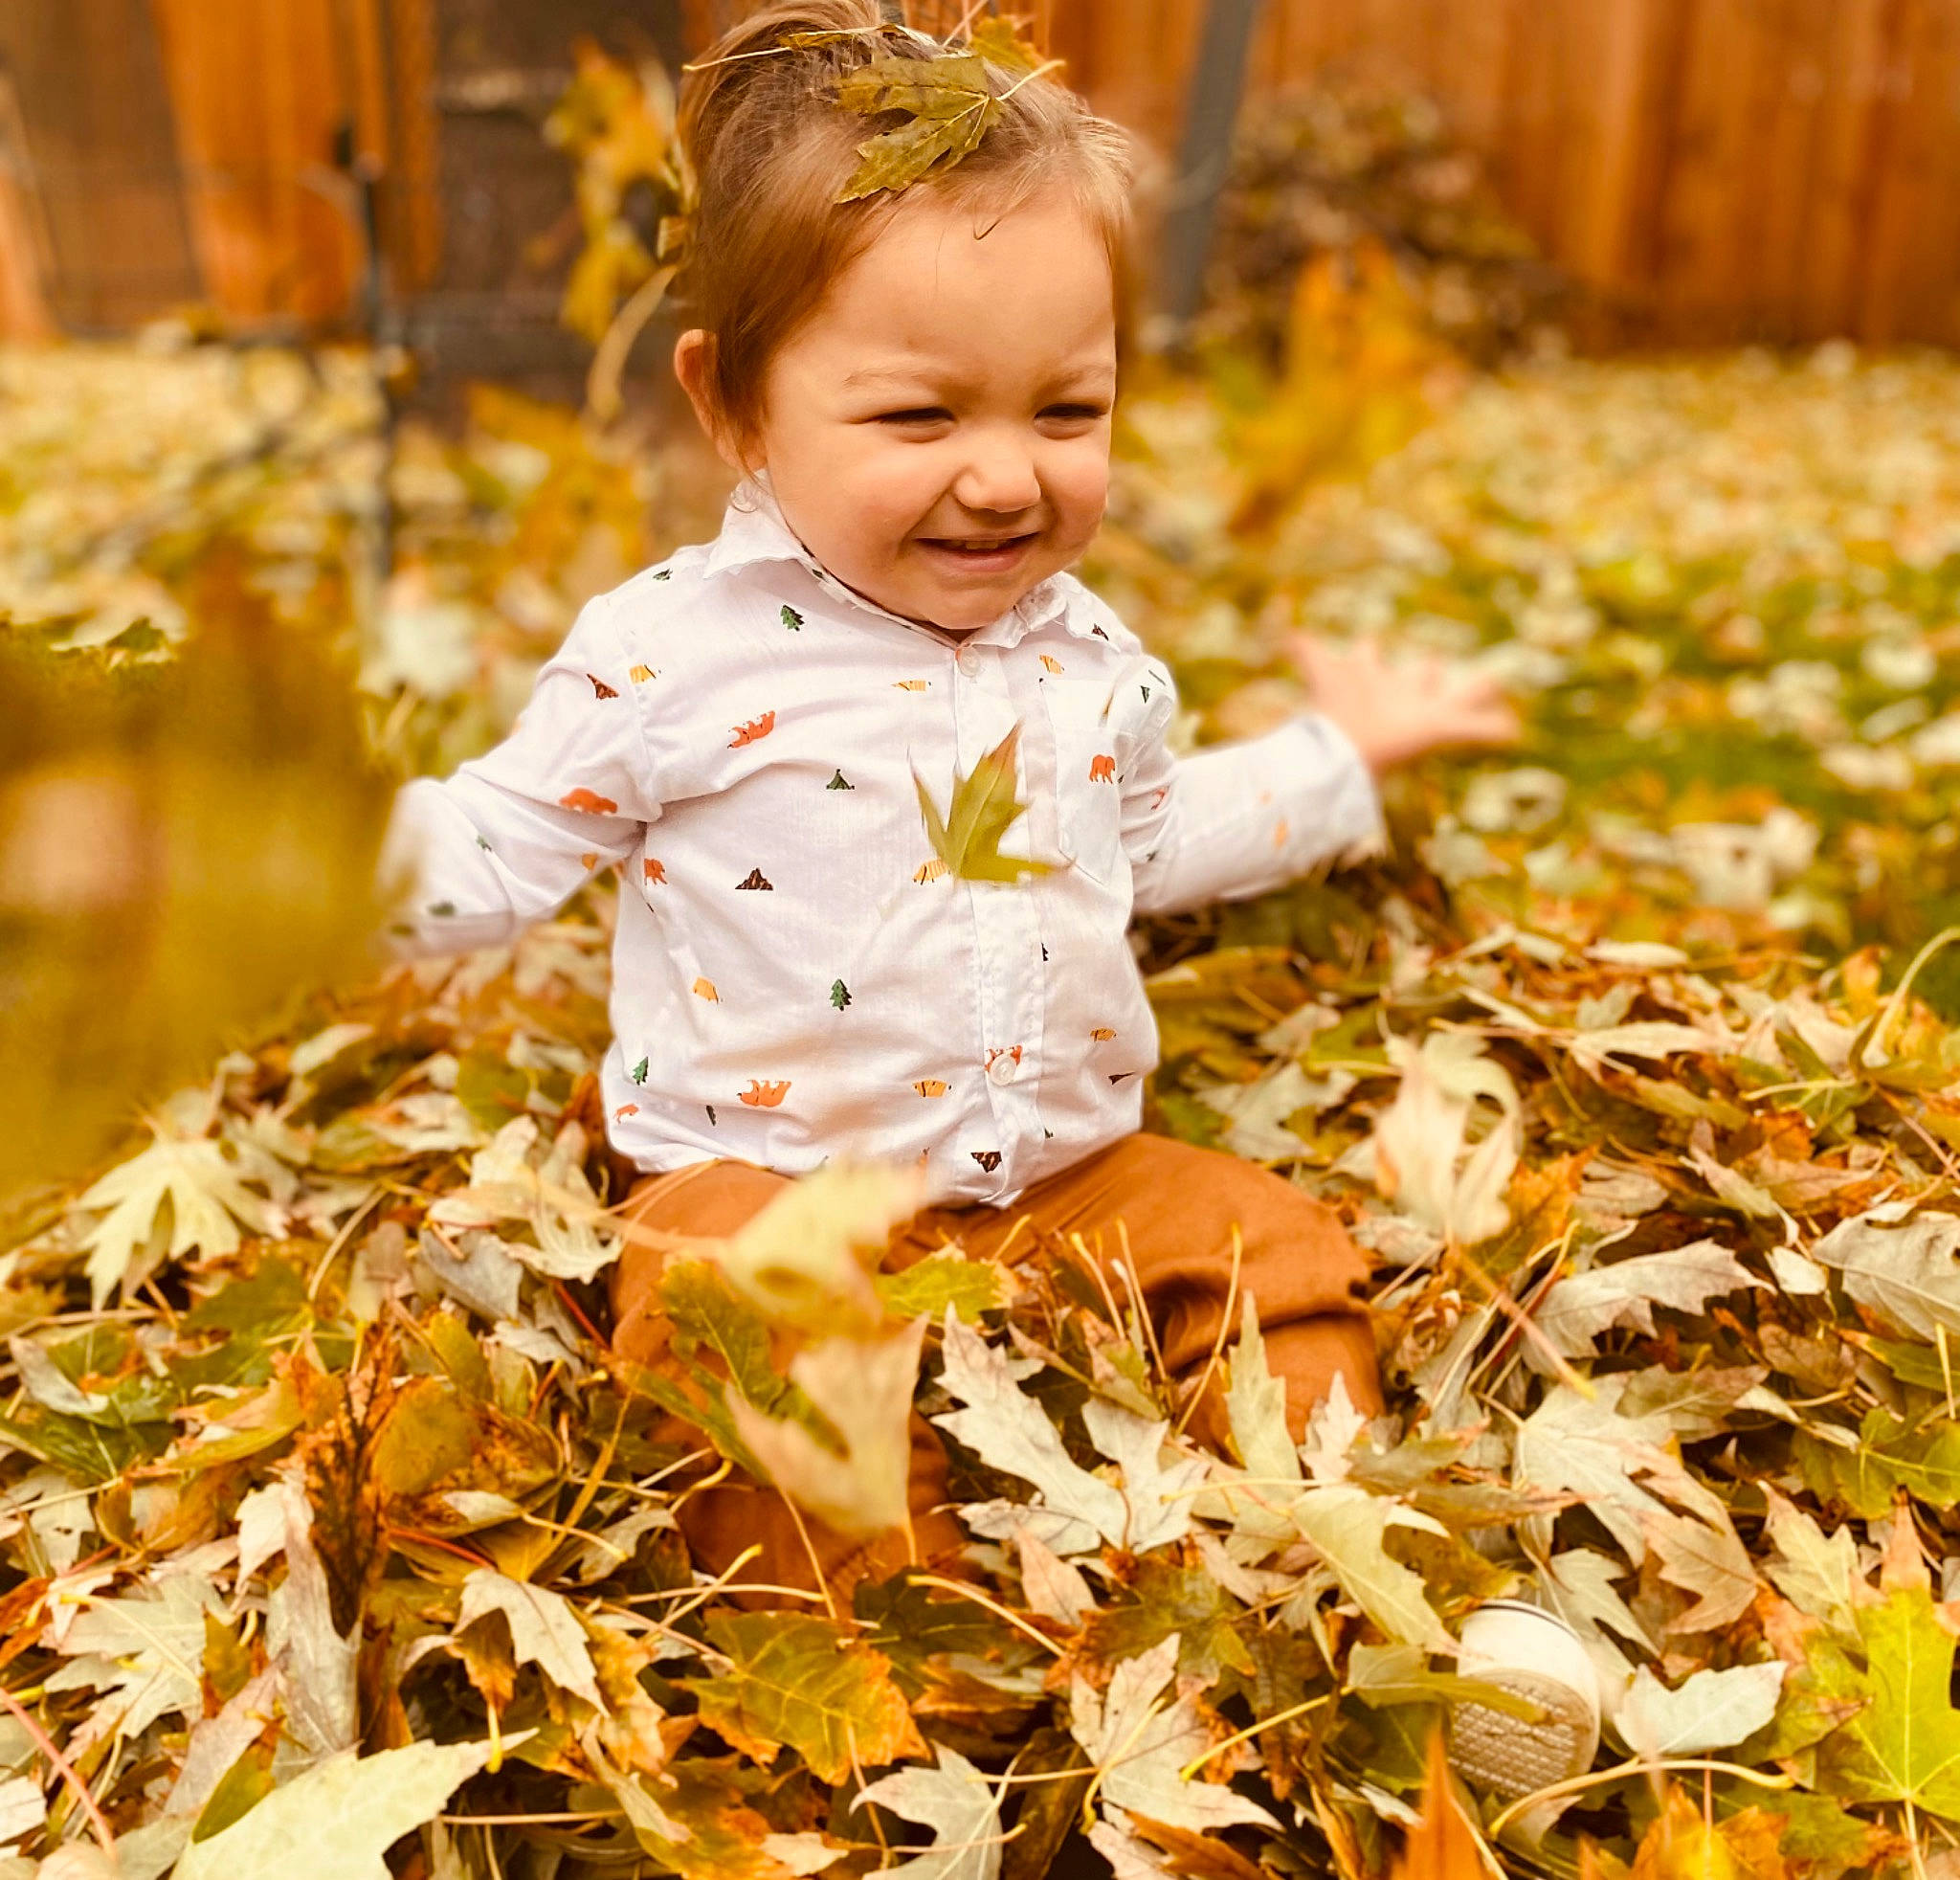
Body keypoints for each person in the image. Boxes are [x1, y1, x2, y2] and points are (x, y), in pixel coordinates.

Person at [379, 0, 1517, 1605]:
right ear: (733, 407)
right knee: (760, 1352)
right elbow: (497, 844)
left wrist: (1342, 760)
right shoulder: (670, 656)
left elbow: (1152, 841)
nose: (1005, 475)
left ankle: (1338, 1575)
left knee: (1273, 1252)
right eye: (921, 417)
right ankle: (897, 1679)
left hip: (1058, 1172)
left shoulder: (1091, 662)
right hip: (760, 1177)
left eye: (1067, 411)